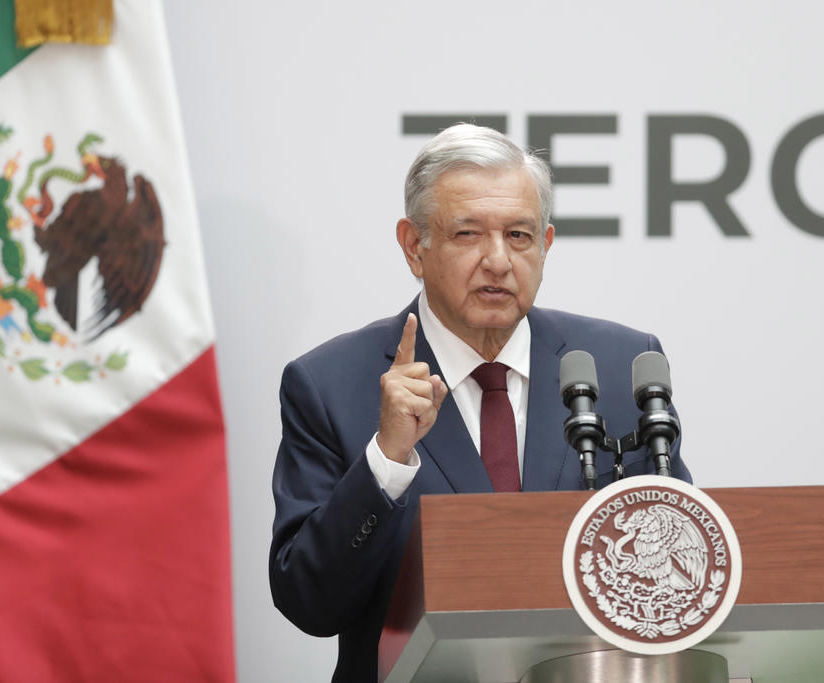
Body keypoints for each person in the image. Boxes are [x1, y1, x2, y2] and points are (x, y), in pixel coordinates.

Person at [269, 124, 691, 682]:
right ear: (413, 246)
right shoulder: (329, 384)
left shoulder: (620, 366)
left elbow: (682, 564)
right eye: (468, 234)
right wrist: (387, 460)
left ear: (546, 244)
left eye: (518, 236)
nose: (497, 261)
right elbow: (309, 603)